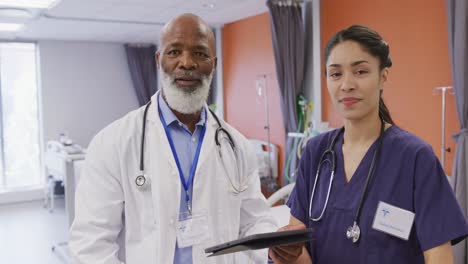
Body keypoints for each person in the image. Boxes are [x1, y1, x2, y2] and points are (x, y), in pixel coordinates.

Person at [69, 13, 276, 264]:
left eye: (200, 53)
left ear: (214, 63)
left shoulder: (237, 146)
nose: (186, 63)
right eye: (174, 51)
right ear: (159, 60)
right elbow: (91, 245)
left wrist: (273, 248)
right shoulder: (112, 143)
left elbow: (255, 220)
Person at [268, 25, 468, 264]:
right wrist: (283, 255)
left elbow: (439, 257)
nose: (347, 84)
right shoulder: (316, 152)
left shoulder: (415, 157)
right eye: (335, 74)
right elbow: (298, 248)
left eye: (361, 71)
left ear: (383, 77)